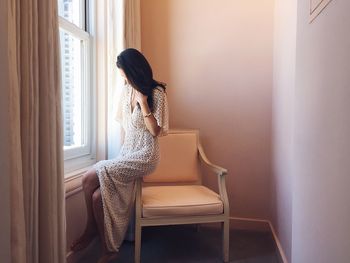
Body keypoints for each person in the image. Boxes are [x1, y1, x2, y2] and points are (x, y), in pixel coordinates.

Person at [69, 48, 169, 263]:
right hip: (128, 153)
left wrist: (143, 103)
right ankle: (109, 250)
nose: (122, 77)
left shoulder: (157, 93)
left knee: (88, 178)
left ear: (134, 70)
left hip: (145, 155)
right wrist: (124, 155)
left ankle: (90, 229)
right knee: (97, 197)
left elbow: (155, 131)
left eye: (123, 72)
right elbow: (126, 126)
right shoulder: (125, 91)